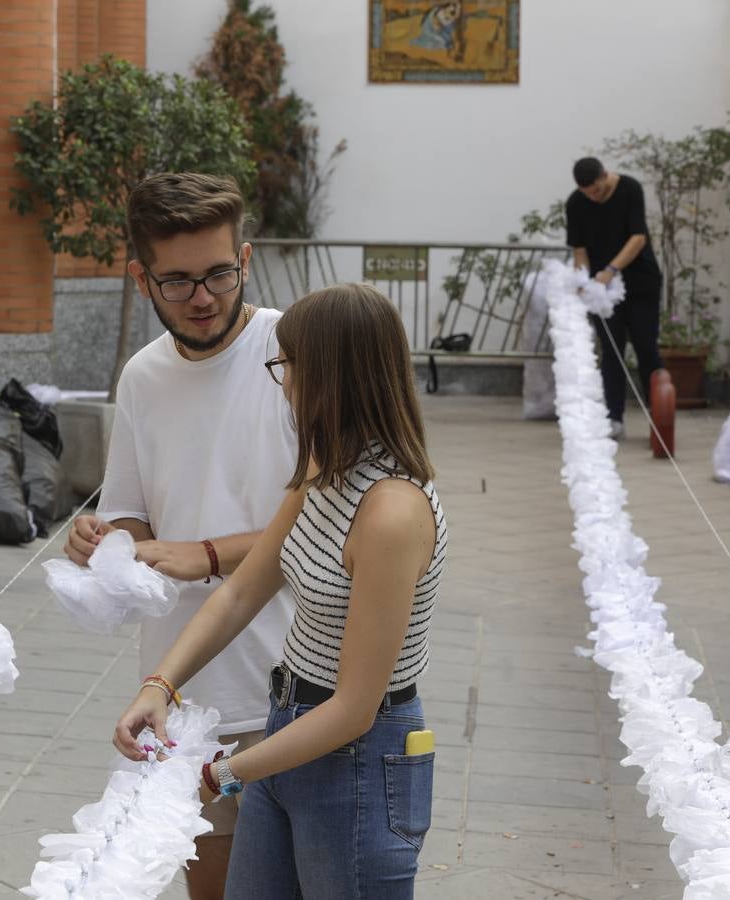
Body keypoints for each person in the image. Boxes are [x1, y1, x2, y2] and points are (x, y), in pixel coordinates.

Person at [112, 283, 447, 900]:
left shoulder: (392, 512)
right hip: (287, 725)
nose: (283, 381)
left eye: (289, 365)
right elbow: (241, 594)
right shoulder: (325, 469)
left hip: (357, 760)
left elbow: (355, 708)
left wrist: (222, 773)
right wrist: (159, 686)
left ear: (334, 377)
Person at [64, 172, 297, 899]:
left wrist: (207, 554)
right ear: (142, 279)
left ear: (246, 259)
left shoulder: (295, 350)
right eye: (177, 282)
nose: (202, 298)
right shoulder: (142, 376)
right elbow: (135, 516)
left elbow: (337, 517)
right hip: (186, 691)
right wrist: (105, 541)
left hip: (298, 684)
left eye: (220, 274)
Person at [566, 156, 665, 440]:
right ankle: (614, 417)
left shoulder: (630, 189)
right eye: (587, 194)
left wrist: (611, 270)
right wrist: (583, 280)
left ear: (604, 176)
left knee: (646, 347)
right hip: (603, 292)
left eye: (596, 191)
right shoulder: (575, 203)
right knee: (611, 350)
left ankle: (659, 416)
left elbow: (638, 238)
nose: (593, 198)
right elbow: (580, 249)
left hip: (640, 283)